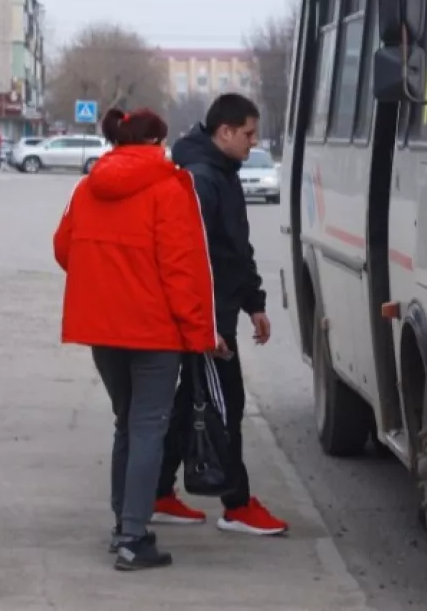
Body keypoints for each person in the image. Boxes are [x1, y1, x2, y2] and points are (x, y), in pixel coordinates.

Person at [54, 107, 221, 571]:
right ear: (153, 144)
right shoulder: (170, 190)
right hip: (153, 331)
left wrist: (105, 283)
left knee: (127, 421)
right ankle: (132, 535)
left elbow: (63, 249)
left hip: (101, 330)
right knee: (149, 425)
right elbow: (181, 270)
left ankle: (121, 526)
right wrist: (199, 335)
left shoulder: (87, 187)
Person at [153, 94, 289, 536]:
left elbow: (235, 250)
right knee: (224, 406)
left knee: (189, 404)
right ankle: (237, 504)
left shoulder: (223, 174)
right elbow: (196, 262)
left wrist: (255, 303)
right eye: (248, 134)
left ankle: (156, 492)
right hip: (205, 323)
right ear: (224, 132)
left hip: (217, 316)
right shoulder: (200, 180)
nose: (253, 142)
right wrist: (208, 327)